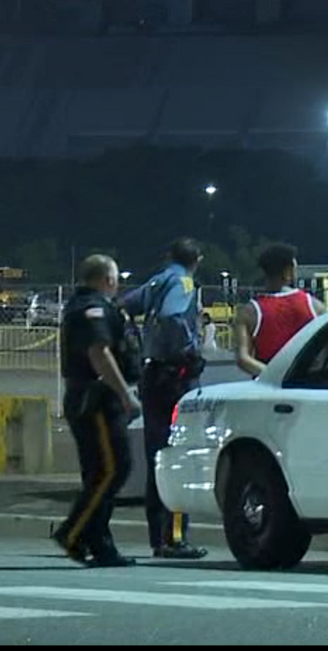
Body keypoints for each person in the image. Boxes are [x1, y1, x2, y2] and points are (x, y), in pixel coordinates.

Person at [53, 255, 143, 568]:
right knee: (112, 469)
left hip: (92, 398)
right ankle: (73, 533)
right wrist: (125, 395)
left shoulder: (90, 306)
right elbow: (99, 353)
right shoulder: (93, 310)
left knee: (100, 473)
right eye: (116, 277)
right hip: (97, 401)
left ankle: (98, 542)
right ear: (108, 279)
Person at [122, 238, 208, 560]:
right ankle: (173, 538)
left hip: (152, 375)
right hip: (176, 378)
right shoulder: (184, 282)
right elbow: (174, 316)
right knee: (177, 455)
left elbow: (126, 306)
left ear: (168, 256)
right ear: (197, 259)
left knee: (157, 455)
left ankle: (157, 537)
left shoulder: (157, 281)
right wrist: (187, 349)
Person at [234, 243, 326, 378]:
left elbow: (243, 359)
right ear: (288, 272)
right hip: (309, 381)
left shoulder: (248, 312)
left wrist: (276, 377)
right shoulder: (315, 306)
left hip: (268, 387)